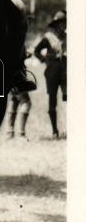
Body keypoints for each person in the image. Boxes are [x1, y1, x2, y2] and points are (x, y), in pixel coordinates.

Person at [34, 10, 67, 139]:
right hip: (52, 70)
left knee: (67, 98)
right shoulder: (48, 38)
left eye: (64, 23)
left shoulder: (68, 37)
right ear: (56, 25)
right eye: (60, 23)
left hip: (65, 70)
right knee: (52, 100)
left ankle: (68, 129)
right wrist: (45, 60)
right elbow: (36, 51)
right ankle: (55, 131)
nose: (63, 25)